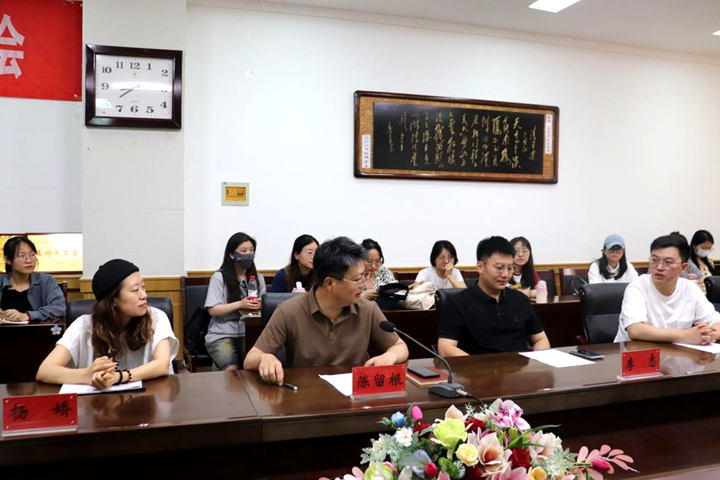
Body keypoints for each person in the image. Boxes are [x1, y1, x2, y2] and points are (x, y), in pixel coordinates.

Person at [244, 236, 408, 385]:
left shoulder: (367, 309)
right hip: (304, 396)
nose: (363, 285)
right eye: (357, 279)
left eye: (364, 277)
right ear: (330, 283)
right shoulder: (289, 311)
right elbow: (251, 358)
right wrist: (265, 358)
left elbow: (400, 347)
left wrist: (390, 356)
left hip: (353, 396)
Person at [36, 259, 179, 388]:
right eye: (135, 290)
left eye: (143, 287)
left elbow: (162, 365)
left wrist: (119, 377)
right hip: (96, 404)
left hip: (147, 401)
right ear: (113, 300)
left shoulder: (156, 318)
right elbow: (45, 371)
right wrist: (87, 375)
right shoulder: (83, 326)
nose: (144, 295)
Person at [438, 236, 550, 356]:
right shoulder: (458, 303)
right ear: (480, 267)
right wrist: (479, 366)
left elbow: (540, 339)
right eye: (499, 267)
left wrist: (537, 359)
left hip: (519, 366)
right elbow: (445, 348)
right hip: (477, 367)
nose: (505, 274)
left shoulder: (520, 300)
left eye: (510, 268)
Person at [614, 235, 720, 344]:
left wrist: (711, 335)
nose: (659, 267)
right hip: (635, 352)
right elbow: (635, 330)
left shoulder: (690, 289)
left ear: (683, 268)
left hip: (675, 352)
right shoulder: (637, 287)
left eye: (668, 262)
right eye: (654, 260)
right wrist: (687, 335)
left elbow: (716, 322)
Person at [205, 232, 266, 371]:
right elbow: (213, 310)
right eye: (243, 251)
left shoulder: (258, 278)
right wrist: (240, 304)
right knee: (231, 368)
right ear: (232, 255)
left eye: (251, 251)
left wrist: (258, 306)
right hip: (222, 334)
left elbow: (265, 306)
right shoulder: (219, 277)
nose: (248, 255)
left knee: (255, 366)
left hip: (249, 332)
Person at [0, 236, 65, 323]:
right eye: (22, 256)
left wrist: (28, 316)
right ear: (8, 260)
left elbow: (59, 307)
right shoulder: (1, 281)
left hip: (37, 331)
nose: (29, 260)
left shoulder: (46, 281)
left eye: (32, 255)